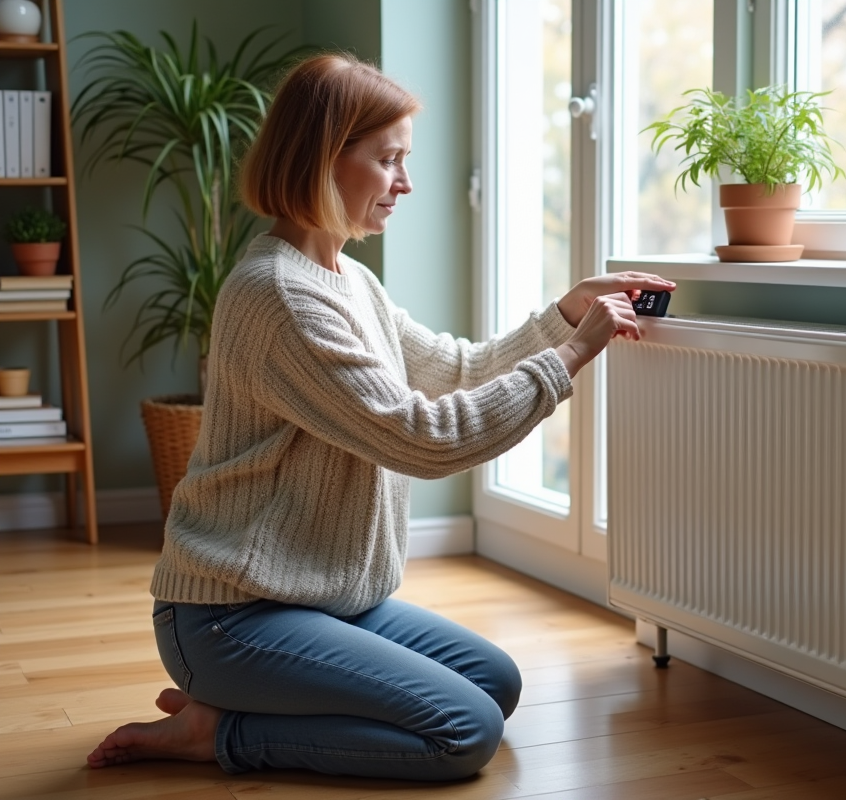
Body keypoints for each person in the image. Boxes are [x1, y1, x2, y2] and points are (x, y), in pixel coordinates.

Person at [85, 53, 674, 781]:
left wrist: (564, 315)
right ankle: (220, 732)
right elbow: (422, 440)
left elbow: (455, 370)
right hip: (231, 615)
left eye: (405, 160)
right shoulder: (280, 296)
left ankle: (240, 707)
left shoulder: (349, 279)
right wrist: (570, 357)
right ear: (323, 160)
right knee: (464, 732)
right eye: (389, 160)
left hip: (328, 600)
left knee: (495, 683)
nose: (405, 182)